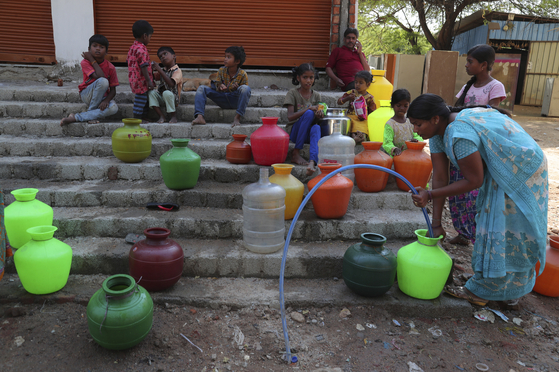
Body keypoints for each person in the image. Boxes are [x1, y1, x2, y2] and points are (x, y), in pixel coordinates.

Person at [409, 93, 548, 308]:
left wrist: (430, 195)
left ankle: (499, 291)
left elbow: (474, 180)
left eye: (418, 124)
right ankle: (496, 286)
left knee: (509, 228)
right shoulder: (438, 133)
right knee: (492, 223)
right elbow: (440, 176)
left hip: (521, 168)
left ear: (435, 119)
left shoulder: (458, 134)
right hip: (504, 167)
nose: (415, 131)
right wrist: (435, 223)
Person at [449, 44, 507, 245]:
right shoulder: (467, 87)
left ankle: (476, 234)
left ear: (483, 65)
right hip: (462, 142)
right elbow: (456, 110)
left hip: (480, 146)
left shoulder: (495, 87)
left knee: (475, 191)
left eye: (470, 62)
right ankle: (462, 232)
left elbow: (492, 116)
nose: (466, 65)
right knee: (457, 187)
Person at [60, 35, 119, 126]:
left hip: (103, 97)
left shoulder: (111, 67)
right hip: (87, 94)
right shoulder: (85, 62)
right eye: (94, 46)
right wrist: (91, 59)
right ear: (89, 49)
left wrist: (106, 101)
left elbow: (113, 91)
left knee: (114, 108)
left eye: (102, 47)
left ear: (106, 51)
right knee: (103, 81)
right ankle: (92, 113)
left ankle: (75, 117)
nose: (98, 49)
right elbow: (100, 77)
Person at [284, 63, 326, 176]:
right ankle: (296, 152)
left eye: (311, 77)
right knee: (308, 113)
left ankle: (312, 162)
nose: (308, 81)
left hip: (307, 134)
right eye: (305, 77)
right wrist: (309, 109)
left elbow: (316, 119)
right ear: (298, 78)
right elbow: (290, 116)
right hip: (295, 132)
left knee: (317, 127)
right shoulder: (292, 93)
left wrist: (319, 115)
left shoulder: (316, 95)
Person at [192, 46, 251, 127]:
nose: (225, 59)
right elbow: (217, 84)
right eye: (225, 56)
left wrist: (237, 89)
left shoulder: (243, 74)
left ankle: (237, 118)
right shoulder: (221, 70)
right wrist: (219, 86)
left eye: (229, 57)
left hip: (235, 100)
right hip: (222, 98)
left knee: (245, 88)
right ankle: (199, 116)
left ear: (237, 61)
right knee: (202, 88)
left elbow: (245, 93)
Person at [337, 70, 376, 144]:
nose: (357, 85)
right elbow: (339, 102)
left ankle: (360, 136)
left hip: (362, 119)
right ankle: (356, 138)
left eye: (361, 83)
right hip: (350, 117)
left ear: (368, 84)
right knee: (350, 124)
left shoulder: (370, 98)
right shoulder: (351, 93)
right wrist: (347, 98)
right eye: (356, 82)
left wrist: (366, 117)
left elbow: (373, 113)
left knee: (362, 127)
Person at [127, 20, 155, 122]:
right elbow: (143, 65)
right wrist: (148, 80)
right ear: (144, 36)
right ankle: (137, 118)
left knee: (144, 98)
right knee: (141, 99)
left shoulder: (132, 47)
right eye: (150, 37)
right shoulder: (142, 49)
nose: (150, 39)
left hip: (134, 79)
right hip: (141, 80)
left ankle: (143, 116)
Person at [382, 89, 423, 157]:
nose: (402, 108)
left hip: (411, 156)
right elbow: (387, 143)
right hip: (396, 158)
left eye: (405, 106)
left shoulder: (410, 122)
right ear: (392, 105)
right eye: (398, 105)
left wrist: (416, 141)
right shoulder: (390, 124)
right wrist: (395, 149)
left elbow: (417, 135)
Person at [149, 46, 183, 123]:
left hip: (173, 99)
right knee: (151, 93)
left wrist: (160, 70)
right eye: (160, 57)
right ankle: (161, 116)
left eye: (165, 54)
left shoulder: (177, 71)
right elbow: (153, 77)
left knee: (166, 93)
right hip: (162, 97)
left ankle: (173, 116)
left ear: (174, 56)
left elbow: (171, 84)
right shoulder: (163, 71)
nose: (163, 57)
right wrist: (150, 69)